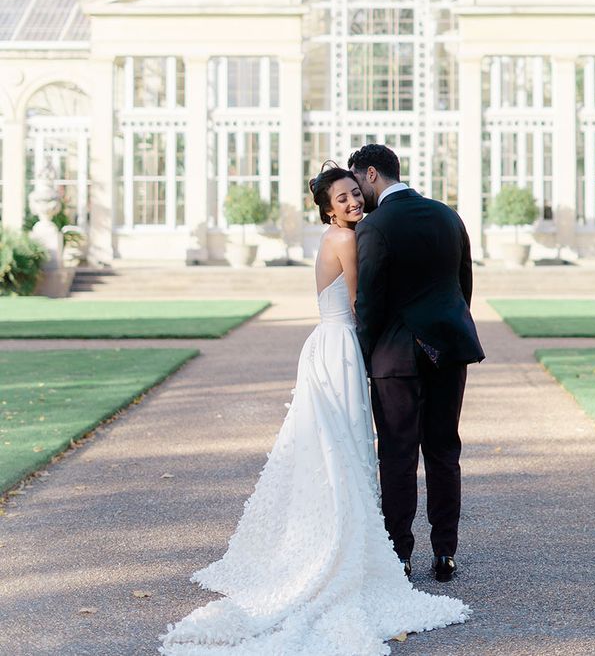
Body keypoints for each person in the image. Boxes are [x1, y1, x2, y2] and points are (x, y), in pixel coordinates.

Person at [160, 162, 469, 656]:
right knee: (361, 450)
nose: (353, 203)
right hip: (343, 347)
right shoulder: (353, 238)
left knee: (360, 451)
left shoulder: (359, 232)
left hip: (340, 346)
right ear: (326, 210)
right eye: (342, 198)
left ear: (367, 181)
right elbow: (364, 302)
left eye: (354, 194)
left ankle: (389, 550)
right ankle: (396, 549)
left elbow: (374, 302)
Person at [350, 145, 485, 583]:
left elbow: (369, 301)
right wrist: (447, 328)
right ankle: (446, 553)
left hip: (396, 356)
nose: (357, 194)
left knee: (398, 454)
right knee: (445, 451)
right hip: (450, 348)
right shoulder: (448, 215)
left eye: (358, 183)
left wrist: (365, 353)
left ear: (371, 174)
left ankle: (400, 556)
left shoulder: (375, 226)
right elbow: (464, 284)